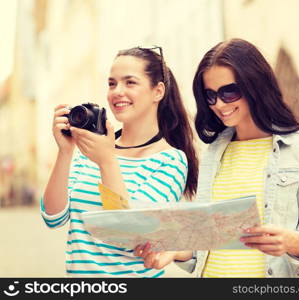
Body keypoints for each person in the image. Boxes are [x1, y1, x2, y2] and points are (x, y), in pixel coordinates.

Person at [136, 38, 299, 278]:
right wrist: (175, 251)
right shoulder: (214, 152)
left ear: (254, 86)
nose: (218, 104)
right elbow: (205, 242)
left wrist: (293, 242)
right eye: (210, 95)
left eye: (229, 92)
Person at [41, 46, 198, 277]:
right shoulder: (91, 151)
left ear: (158, 91)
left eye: (130, 82)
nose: (117, 91)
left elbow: (132, 235)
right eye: (112, 83)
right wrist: (65, 152)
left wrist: (107, 161)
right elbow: (53, 218)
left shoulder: (170, 160)